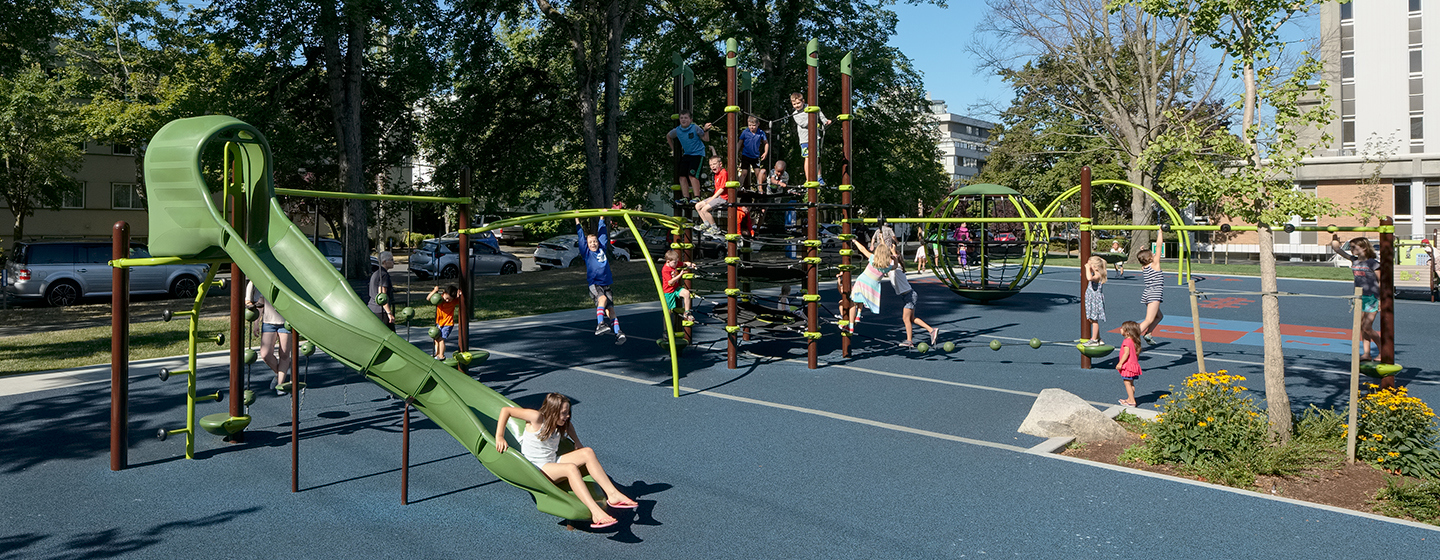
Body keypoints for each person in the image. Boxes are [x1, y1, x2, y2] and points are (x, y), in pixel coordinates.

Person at [495, 393, 638, 529]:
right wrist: (500, 436)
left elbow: (569, 426)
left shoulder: (561, 423)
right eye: (563, 413)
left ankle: (612, 495)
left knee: (587, 452)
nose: (567, 416)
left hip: (550, 462)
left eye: (568, 412)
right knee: (570, 468)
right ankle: (595, 512)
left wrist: (577, 442)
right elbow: (506, 410)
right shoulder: (536, 417)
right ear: (553, 411)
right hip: (535, 469)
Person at [1331, 234, 1383, 365]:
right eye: (1351, 247)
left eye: (1354, 247)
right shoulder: (1354, 260)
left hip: (1372, 297)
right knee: (1361, 327)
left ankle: (1383, 350)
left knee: (1367, 326)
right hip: (1359, 297)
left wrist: (1381, 299)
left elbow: (1381, 281)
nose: (1352, 249)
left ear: (1364, 248)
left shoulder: (1373, 263)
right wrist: (1335, 238)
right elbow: (1337, 249)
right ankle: (1366, 353)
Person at [577, 217, 625, 344]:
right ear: (587, 245)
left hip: (606, 285)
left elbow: (603, 234)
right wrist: (577, 222)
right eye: (590, 242)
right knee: (602, 299)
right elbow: (581, 239)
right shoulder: (587, 253)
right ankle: (600, 324)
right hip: (595, 284)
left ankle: (618, 332)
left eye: (595, 241)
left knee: (611, 310)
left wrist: (602, 219)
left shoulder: (602, 249)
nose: (593, 243)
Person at [245, 281, 293, 395]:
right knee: (265, 354)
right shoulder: (268, 283)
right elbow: (261, 303)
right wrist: (256, 323)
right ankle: (280, 373)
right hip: (269, 322)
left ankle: (280, 384)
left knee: (284, 354)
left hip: (285, 323)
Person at [844, 237, 895, 333]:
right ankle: (858, 314)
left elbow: (862, 249)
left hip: (862, 281)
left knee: (853, 301)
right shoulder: (887, 267)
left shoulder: (872, 259)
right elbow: (895, 265)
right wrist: (894, 255)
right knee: (862, 298)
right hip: (872, 286)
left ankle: (850, 326)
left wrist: (855, 241)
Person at [890, 249, 939, 348]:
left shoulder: (897, 268)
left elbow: (893, 257)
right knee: (912, 318)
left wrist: (892, 251)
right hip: (908, 295)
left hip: (909, 296)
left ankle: (909, 341)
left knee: (906, 318)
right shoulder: (894, 268)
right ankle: (931, 330)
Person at [666, 111, 712, 203]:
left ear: (690, 120)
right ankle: (686, 198)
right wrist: (673, 150)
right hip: (687, 154)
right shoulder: (677, 130)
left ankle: (697, 196)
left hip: (698, 154)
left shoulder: (695, 128)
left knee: (692, 175)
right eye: (681, 118)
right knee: (682, 176)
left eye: (686, 118)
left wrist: (706, 130)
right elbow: (668, 136)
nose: (683, 120)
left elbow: (706, 139)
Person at [789, 92, 831, 184]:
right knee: (807, 157)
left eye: (798, 103)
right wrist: (813, 118)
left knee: (817, 157)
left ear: (803, 101)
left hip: (815, 137)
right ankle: (808, 179)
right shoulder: (795, 114)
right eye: (794, 104)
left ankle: (819, 177)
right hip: (805, 139)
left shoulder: (810, 107)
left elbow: (818, 111)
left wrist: (824, 121)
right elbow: (803, 124)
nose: (797, 106)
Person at [694, 155, 728, 238]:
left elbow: (721, 189)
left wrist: (711, 199)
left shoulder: (723, 173)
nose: (712, 166)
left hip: (723, 198)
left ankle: (714, 228)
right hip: (716, 196)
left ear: (720, 164)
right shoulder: (716, 174)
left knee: (705, 209)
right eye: (710, 165)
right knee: (698, 206)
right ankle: (706, 223)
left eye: (714, 164)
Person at [1136, 249, 1164, 345]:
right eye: (1152, 254)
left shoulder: (1145, 267)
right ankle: (1134, 335)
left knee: (1159, 316)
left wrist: (1142, 251)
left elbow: (1144, 258)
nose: (1154, 254)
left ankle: (1148, 333)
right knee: (1149, 319)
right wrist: (1160, 233)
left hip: (1149, 294)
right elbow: (1159, 246)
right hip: (1154, 294)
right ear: (1150, 258)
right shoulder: (1154, 265)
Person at [1115, 321, 1144, 407]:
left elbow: (1126, 353)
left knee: (1127, 383)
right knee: (1131, 383)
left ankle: (1131, 401)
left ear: (1127, 332)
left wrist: (1120, 363)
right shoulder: (1133, 341)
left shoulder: (1127, 341)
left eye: (1122, 328)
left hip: (1128, 366)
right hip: (1133, 365)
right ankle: (1130, 398)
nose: (1120, 329)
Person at [661, 250, 694, 322]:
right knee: (668, 312)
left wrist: (690, 264)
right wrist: (680, 275)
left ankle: (687, 312)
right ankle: (666, 330)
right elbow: (670, 281)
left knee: (687, 293)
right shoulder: (665, 270)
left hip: (676, 288)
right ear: (668, 261)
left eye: (676, 262)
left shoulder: (674, 263)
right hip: (668, 291)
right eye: (674, 262)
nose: (676, 264)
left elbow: (684, 263)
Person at [428, 284, 460, 360]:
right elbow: (428, 298)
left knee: (441, 339)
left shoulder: (454, 301)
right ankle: (437, 353)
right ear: (443, 293)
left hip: (448, 323)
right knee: (436, 338)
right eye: (447, 298)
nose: (447, 300)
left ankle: (441, 355)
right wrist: (434, 291)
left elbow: (463, 299)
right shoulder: (439, 299)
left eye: (450, 299)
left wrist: (459, 294)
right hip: (439, 322)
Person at [737, 116, 769, 190]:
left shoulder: (761, 133)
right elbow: (740, 142)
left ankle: (759, 188)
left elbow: (766, 143)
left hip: (755, 156)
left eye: (754, 125)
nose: (752, 127)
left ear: (758, 124)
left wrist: (765, 152)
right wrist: (736, 152)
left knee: (758, 173)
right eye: (750, 125)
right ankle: (739, 188)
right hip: (746, 155)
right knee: (744, 172)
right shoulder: (745, 132)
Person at [369, 251, 396, 331]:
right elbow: (382, 295)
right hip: (381, 311)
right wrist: (389, 313)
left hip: (372, 308)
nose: (393, 262)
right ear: (384, 262)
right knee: (390, 336)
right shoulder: (384, 275)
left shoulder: (376, 273)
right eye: (391, 260)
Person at [1084, 255, 1108, 346]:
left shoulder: (1098, 275)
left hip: (1095, 300)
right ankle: (1098, 338)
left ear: (1095, 266)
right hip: (1091, 299)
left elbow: (1089, 278)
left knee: (1094, 320)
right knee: (1091, 319)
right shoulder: (1095, 274)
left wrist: (1087, 268)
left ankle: (1094, 340)